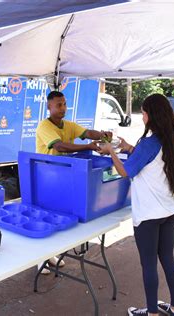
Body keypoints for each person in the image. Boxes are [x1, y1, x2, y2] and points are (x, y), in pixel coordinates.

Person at [98, 94, 174, 316]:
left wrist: (111, 152)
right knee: (167, 259)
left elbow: (127, 171)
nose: (143, 116)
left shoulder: (149, 143)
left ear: (151, 116)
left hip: (149, 215)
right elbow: (149, 161)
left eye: (144, 112)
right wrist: (128, 148)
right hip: (171, 210)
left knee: (148, 264)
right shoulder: (173, 140)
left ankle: (152, 313)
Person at [35, 90, 113, 274]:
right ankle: (40, 260)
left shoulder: (68, 125)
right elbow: (60, 146)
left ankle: (50, 255)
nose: (63, 108)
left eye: (64, 104)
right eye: (58, 105)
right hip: (46, 176)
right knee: (46, 216)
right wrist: (87, 146)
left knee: (59, 217)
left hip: (62, 176)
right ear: (49, 107)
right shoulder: (44, 126)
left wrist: (102, 135)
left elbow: (87, 132)